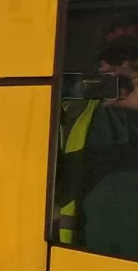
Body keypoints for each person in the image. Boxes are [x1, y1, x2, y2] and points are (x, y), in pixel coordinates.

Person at [56, 17, 138, 258]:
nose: (107, 68)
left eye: (130, 56)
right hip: (92, 262)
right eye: (107, 59)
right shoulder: (76, 115)